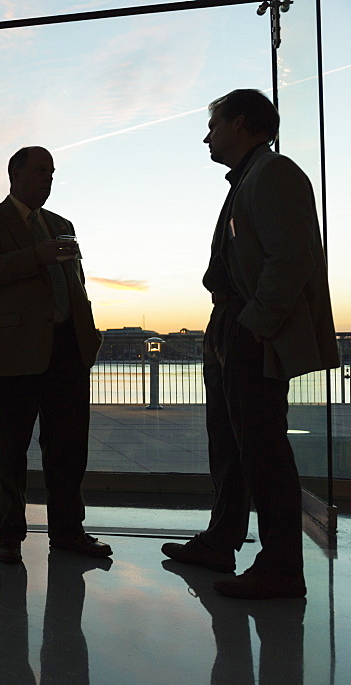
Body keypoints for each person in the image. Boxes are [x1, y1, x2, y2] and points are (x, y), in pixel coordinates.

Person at [161, 89, 339, 599]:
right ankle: (222, 540)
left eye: (214, 125)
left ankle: (282, 567)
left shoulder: (274, 174)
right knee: (231, 443)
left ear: (241, 123)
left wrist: (255, 325)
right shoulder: (249, 179)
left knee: (261, 447)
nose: (207, 135)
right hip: (230, 323)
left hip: (247, 326)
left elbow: (292, 258)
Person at [0, 146, 111, 564]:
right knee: (10, 450)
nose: (48, 179)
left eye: (51, 173)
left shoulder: (62, 224)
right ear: (15, 176)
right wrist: (35, 256)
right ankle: (10, 536)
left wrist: (89, 337)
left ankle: (68, 532)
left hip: (68, 352)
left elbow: (76, 284)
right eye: (41, 172)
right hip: (13, 354)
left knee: (68, 449)